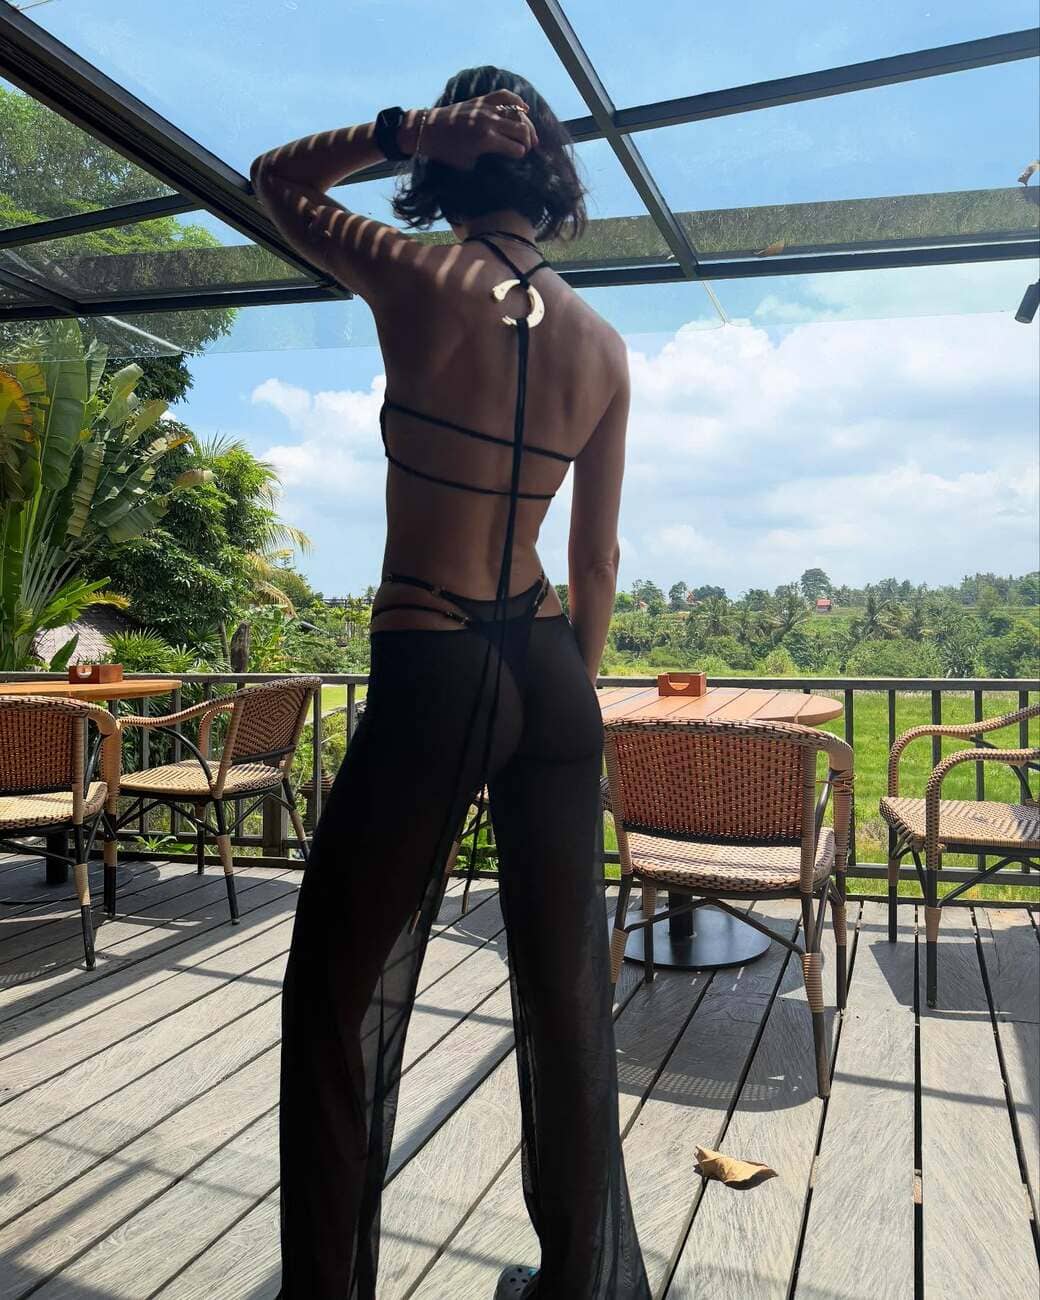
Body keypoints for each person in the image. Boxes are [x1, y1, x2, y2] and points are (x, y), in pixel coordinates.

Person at [252, 65, 648, 1300]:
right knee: (564, 993)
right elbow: (595, 560)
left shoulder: (414, 275)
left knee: (334, 991)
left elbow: (273, 181)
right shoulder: (602, 345)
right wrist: (554, 713)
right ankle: (576, 1279)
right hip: (549, 667)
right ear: (549, 176)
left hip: (434, 652)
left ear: (443, 170)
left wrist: (402, 127)